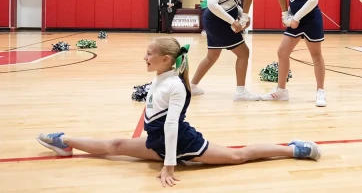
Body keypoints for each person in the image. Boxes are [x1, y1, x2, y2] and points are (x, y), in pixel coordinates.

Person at [35, 37, 321, 188]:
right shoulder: (161, 78)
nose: (144, 57)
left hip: (183, 145)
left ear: (166, 59)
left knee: (238, 155)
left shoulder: (175, 86)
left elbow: (171, 127)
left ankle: (294, 150)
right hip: (157, 143)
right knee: (116, 145)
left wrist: (169, 165)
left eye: (149, 53)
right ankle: (65, 141)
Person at [260, 0, 326, 107]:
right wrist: (288, 15)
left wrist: (295, 18)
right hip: (295, 18)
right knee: (282, 52)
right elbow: (293, 0)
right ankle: (281, 90)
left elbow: (313, 0)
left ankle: (320, 92)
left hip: (310, 20)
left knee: (316, 56)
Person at [190, 0, 260, 101]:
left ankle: (192, 86)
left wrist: (243, 16)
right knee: (244, 53)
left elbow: (232, 3)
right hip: (218, 22)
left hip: (215, 22)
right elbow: (212, 5)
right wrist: (232, 21)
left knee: (212, 56)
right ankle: (240, 92)